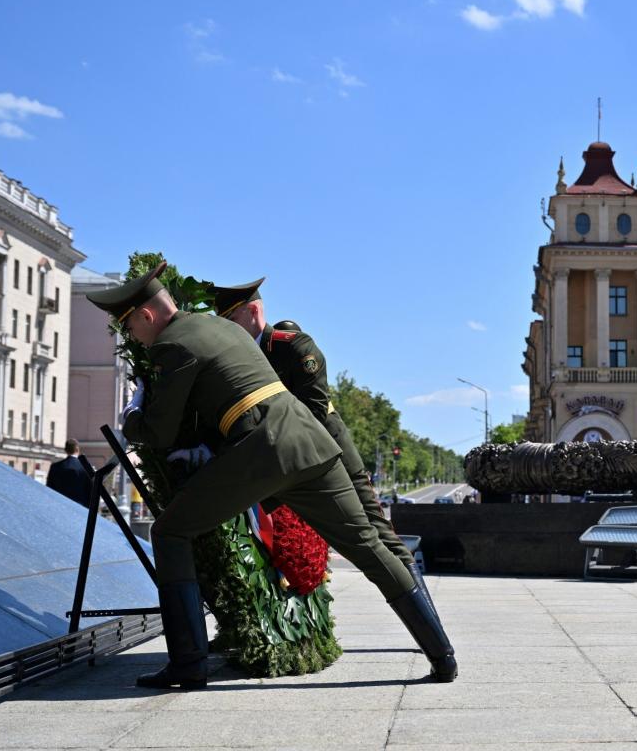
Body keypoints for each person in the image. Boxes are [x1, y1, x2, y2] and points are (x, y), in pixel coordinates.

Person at [86, 263, 457, 689]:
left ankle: (188, 665)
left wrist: (133, 414)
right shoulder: (219, 327)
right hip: (311, 444)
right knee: (370, 547)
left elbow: (160, 430)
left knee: (170, 532)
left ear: (146, 316)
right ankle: (442, 656)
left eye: (129, 326)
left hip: (261, 451)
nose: (132, 336)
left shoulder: (172, 344)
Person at [208, 279, 433, 605]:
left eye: (231, 320)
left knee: (377, 534)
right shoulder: (237, 358)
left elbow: (312, 412)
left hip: (330, 453)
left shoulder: (291, 347)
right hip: (285, 464)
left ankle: (429, 626)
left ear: (253, 311)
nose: (227, 329)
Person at [46, 439, 96, 507]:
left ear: (65, 450)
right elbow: (91, 492)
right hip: (80, 508)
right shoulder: (85, 468)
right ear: (77, 449)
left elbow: (49, 489)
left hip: (59, 506)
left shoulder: (55, 467)